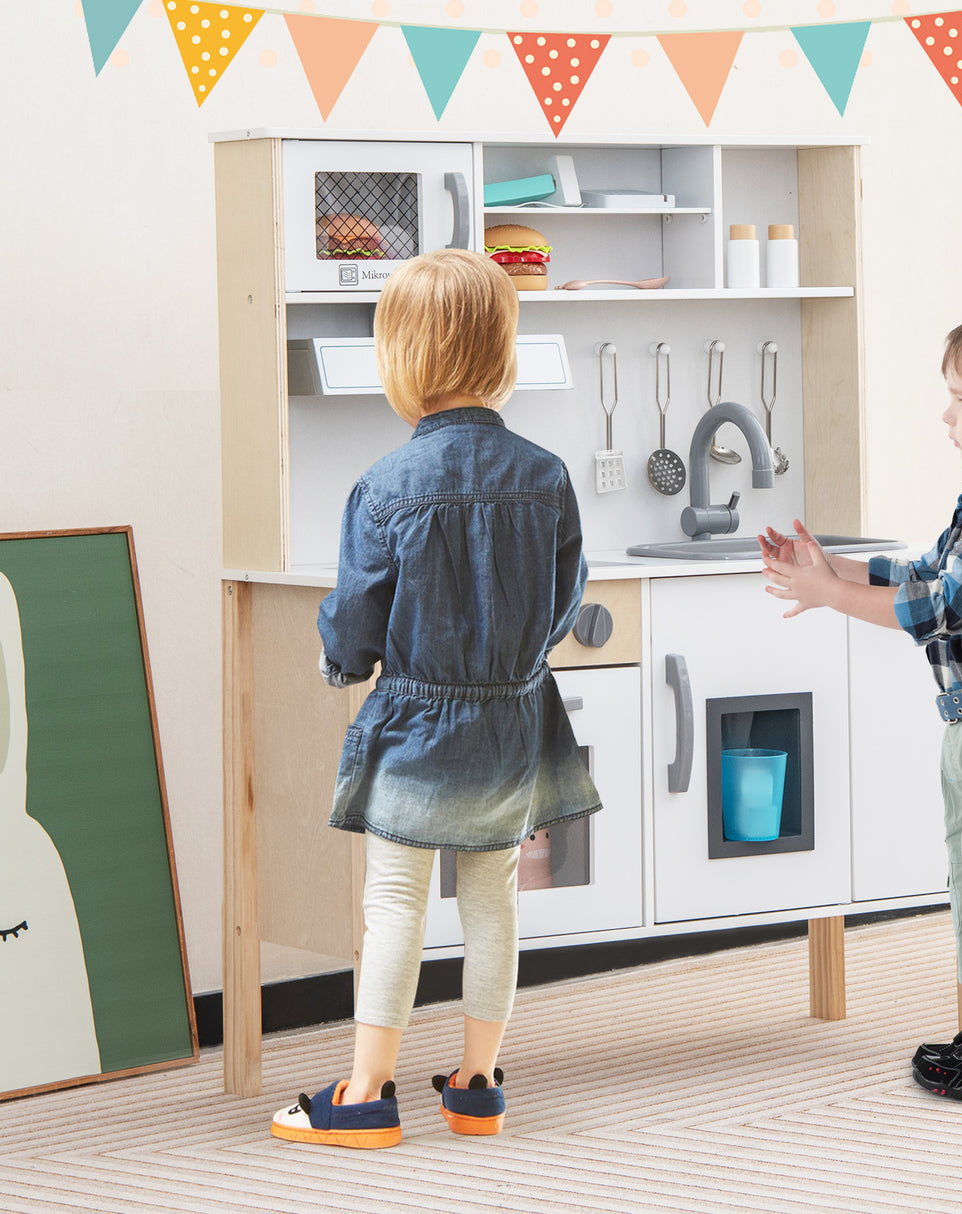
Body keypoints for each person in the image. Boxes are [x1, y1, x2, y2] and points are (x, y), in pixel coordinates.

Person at [271, 248, 601, 1148]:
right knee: (494, 896)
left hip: (417, 722)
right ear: (501, 351)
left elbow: (354, 621)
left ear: (403, 358)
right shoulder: (547, 477)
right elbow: (566, 600)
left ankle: (367, 1091)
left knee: (396, 903)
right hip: (512, 716)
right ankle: (477, 1083)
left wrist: (343, 668)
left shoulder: (383, 487)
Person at [761, 298, 962, 1102]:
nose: (945, 416)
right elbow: (928, 572)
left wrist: (830, 595)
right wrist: (834, 571)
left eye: (961, 400)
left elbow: (940, 609)